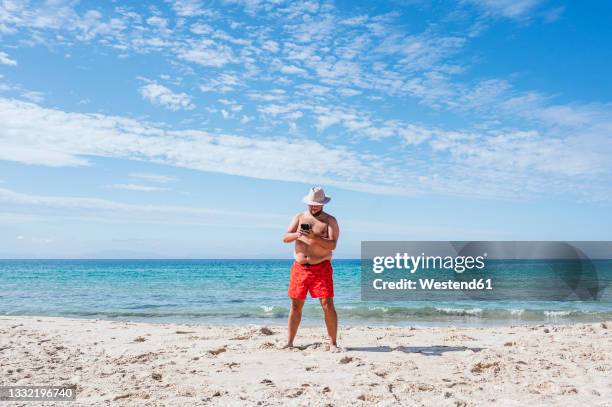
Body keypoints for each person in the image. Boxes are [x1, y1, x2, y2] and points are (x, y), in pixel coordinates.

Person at [282, 186, 340, 352]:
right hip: (300, 267)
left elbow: (332, 244)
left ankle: (332, 343)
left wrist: (315, 238)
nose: (313, 206)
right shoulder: (299, 217)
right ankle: (290, 342)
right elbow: (285, 237)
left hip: (321, 267)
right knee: (295, 305)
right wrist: (298, 234)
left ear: (323, 204)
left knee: (327, 303)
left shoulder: (330, 221)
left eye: (317, 204)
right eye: (311, 204)